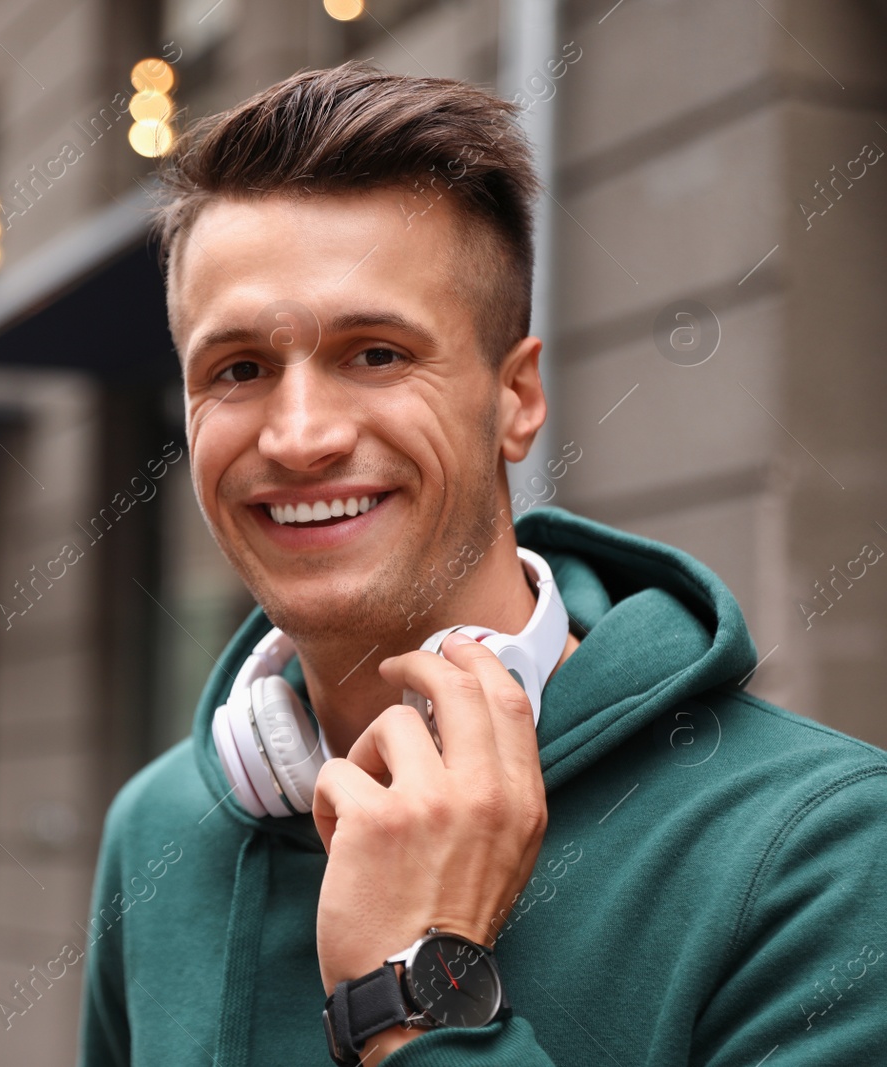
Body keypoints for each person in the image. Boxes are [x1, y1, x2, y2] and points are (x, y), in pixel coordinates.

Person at [77, 62, 887, 1066]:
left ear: (515, 398)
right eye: (236, 369)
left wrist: (411, 993)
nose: (297, 436)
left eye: (375, 352)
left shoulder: (828, 851)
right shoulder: (157, 827)